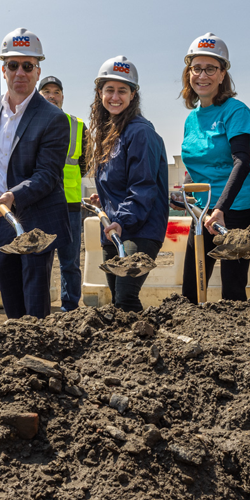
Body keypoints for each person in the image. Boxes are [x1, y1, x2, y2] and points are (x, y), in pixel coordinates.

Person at [0, 28, 69, 319]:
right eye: (13, 65)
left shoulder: (54, 118)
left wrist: (13, 195)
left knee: (34, 301)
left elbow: (48, 175)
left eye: (28, 66)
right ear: (3, 69)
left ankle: (38, 355)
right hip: (1, 221)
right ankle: (15, 352)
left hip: (37, 221)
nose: (20, 72)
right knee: (8, 289)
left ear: (38, 71)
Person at [178, 33, 250, 301]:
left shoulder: (235, 111)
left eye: (211, 69)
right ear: (188, 72)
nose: (202, 76)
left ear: (223, 73)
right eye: (196, 68)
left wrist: (221, 209)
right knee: (192, 286)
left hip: (236, 207)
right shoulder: (192, 119)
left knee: (232, 289)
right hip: (203, 211)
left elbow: (242, 161)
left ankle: (235, 341)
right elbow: (201, 160)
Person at [87, 56, 167, 312]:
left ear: (133, 95)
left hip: (139, 230)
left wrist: (122, 218)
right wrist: (105, 198)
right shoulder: (109, 132)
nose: (115, 96)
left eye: (122, 90)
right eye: (109, 89)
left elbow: (143, 187)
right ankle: (128, 348)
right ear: (100, 92)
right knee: (118, 300)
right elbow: (120, 180)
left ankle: (145, 348)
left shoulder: (140, 132)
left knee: (126, 297)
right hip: (115, 227)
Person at [39, 74, 89, 311]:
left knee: (70, 261)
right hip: (39, 204)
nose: (51, 96)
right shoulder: (29, 123)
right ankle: (39, 308)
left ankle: (70, 309)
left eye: (56, 92)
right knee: (40, 261)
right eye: (46, 91)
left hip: (69, 204)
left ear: (62, 97)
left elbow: (85, 164)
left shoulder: (78, 126)